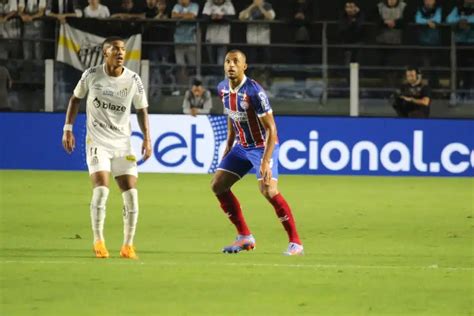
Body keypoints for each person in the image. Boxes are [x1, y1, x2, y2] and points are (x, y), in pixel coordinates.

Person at [62, 37, 152, 259]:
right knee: (101, 190)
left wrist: (147, 139)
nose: (121, 53)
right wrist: (67, 128)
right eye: (115, 49)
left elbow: (142, 110)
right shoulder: (91, 75)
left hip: (123, 144)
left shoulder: (133, 80)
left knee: (131, 194)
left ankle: (127, 245)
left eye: (123, 49)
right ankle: (98, 240)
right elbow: (75, 99)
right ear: (105, 53)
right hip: (97, 142)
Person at [211, 50, 303, 256]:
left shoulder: (254, 92)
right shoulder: (222, 88)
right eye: (227, 61)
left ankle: (296, 243)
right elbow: (231, 116)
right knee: (218, 185)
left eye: (236, 62)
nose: (231, 65)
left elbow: (272, 129)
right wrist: (228, 144)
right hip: (241, 147)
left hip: (262, 146)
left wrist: (265, 161)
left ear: (244, 66)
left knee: (268, 190)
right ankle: (244, 236)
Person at [447, 0, 473, 101]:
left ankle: (469, 94)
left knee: (470, 71)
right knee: (459, 70)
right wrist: (459, 21)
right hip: (460, 44)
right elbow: (449, 19)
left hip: (472, 44)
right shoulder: (457, 9)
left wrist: (466, 21)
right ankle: (457, 94)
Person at [414, 0, 442, 88]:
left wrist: (427, 21)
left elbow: (438, 19)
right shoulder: (419, 10)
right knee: (425, 66)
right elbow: (418, 20)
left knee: (435, 67)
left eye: (431, 0)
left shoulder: (438, 9)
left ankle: (434, 88)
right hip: (423, 43)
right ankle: (424, 88)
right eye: (426, 0)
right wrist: (428, 22)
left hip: (435, 43)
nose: (428, 2)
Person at [202, 0, 235, 65]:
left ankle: (220, 74)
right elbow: (204, 17)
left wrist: (221, 17)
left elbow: (232, 18)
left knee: (221, 61)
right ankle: (213, 74)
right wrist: (212, 17)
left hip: (223, 36)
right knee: (211, 61)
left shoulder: (228, 3)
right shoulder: (209, 3)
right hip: (211, 36)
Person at [338, 1, 365, 65]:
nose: (350, 9)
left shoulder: (360, 15)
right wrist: (351, 22)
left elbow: (359, 27)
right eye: (348, 7)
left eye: (352, 7)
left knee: (356, 63)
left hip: (357, 43)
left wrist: (357, 14)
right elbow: (343, 29)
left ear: (356, 8)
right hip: (345, 43)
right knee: (346, 64)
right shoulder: (343, 16)